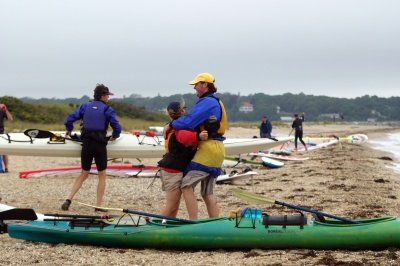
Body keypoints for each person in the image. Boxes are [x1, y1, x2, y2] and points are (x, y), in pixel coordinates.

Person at [163, 72, 227, 220]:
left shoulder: (208, 102)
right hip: (218, 150)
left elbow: (189, 122)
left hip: (209, 150)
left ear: (205, 84)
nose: (194, 88)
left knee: (186, 185)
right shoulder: (215, 101)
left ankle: (193, 222)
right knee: (207, 193)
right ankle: (215, 223)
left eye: (196, 85)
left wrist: (171, 124)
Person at [61, 84, 122, 211]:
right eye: (107, 96)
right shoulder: (107, 109)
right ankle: (98, 206)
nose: (108, 98)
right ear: (103, 96)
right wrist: (115, 136)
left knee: (84, 173)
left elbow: (69, 119)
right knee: (102, 175)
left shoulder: (85, 106)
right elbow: (117, 127)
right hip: (99, 145)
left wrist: (69, 129)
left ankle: (68, 199)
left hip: (87, 144)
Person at [158, 102, 207, 217]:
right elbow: (183, 137)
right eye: (184, 109)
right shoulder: (179, 128)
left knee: (174, 205)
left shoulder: (173, 125)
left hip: (171, 168)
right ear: (182, 111)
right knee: (171, 205)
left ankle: (168, 226)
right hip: (172, 170)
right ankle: (152, 227)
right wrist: (198, 137)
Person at [0, 103, 13, 173]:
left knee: (4, 151)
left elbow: (11, 119)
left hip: (1, 133)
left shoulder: (2, 110)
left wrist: (6, 110)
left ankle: (6, 168)